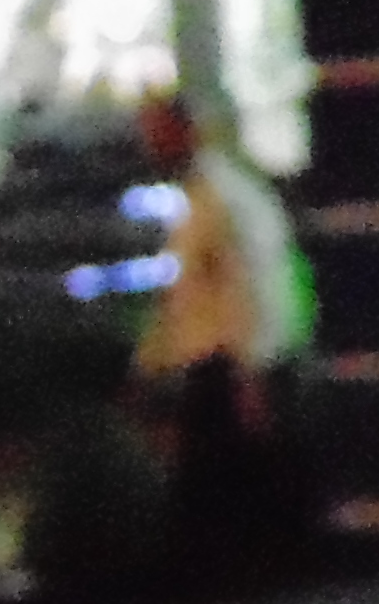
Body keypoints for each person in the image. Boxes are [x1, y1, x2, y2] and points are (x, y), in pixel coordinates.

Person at [130, 91, 318, 565]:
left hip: (228, 374)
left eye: (157, 132)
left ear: (185, 131)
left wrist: (249, 378)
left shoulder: (219, 197)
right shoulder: (212, 192)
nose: (149, 145)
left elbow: (247, 288)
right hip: (231, 371)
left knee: (219, 509)